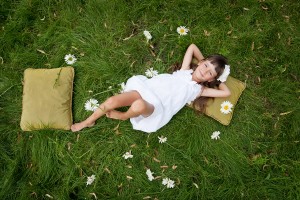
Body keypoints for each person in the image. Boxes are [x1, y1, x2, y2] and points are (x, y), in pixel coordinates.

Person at [71, 44, 231, 133]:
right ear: (201, 62)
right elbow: (192, 47)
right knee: (112, 100)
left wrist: (219, 80)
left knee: (138, 106)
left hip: (157, 107)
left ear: (211, 79)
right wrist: (204, 61)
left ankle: (124, 116)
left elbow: (226, 92)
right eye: (206, 65)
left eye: (210, 72)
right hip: (145, 89)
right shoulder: (184, 70)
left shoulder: (199, 90)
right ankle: (88, 121)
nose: (204, 70)